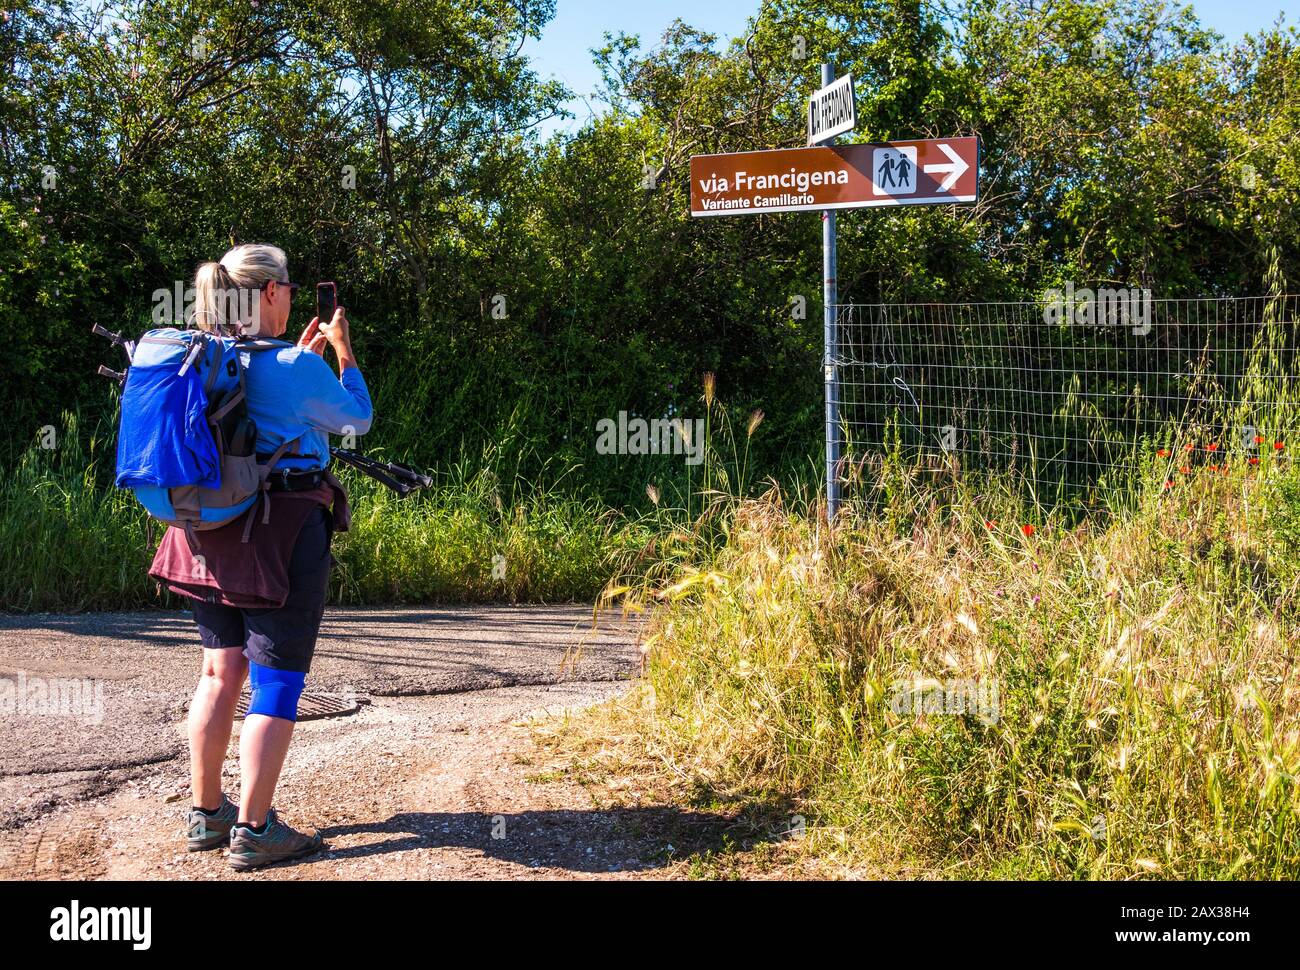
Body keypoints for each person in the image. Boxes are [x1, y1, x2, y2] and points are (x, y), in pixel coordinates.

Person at [148, 243, 372, 870]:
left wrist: (307, 359)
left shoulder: (204, 356)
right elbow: (357, 418)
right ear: (270, 293)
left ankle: (208, 813)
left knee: (218, 674)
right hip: (280, 536)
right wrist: (343, 354)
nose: (296, 295)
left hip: (201, 534)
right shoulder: (296, 367)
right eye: (290, 285)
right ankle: (255, 829)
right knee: (276, 681)